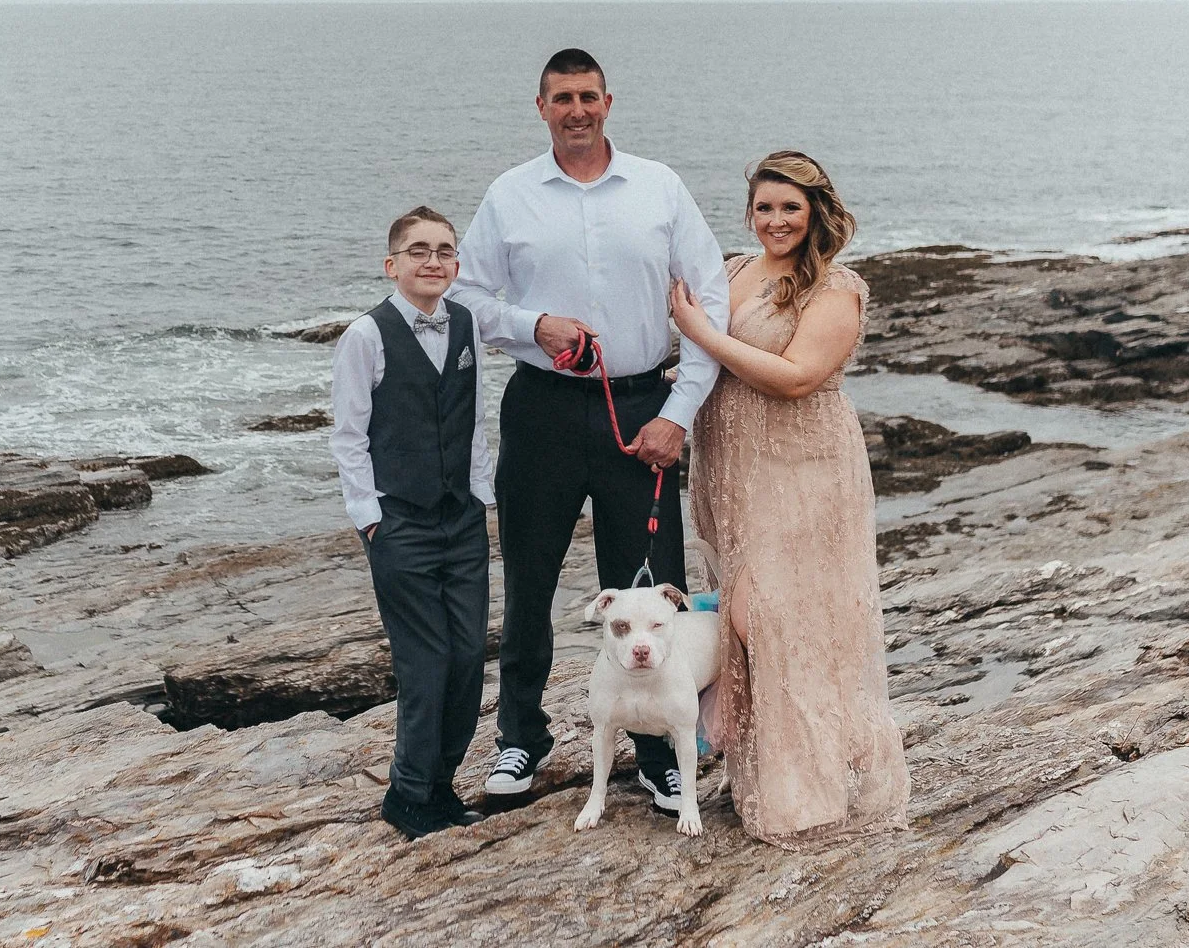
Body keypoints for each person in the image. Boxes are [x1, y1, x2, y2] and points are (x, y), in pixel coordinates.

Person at [448, 48, 729, 812]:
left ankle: (658, 755)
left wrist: (678, 415)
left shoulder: (659, 186)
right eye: (561, 98)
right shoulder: (509, 196)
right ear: (539, 106)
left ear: (610, 101)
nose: (577, 109)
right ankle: (519, 737)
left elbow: (709, 300)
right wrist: (532, 324)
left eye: (589, 96)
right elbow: (466, 299)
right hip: (541, 407)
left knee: (650, 585)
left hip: (642, 410)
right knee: (529, 581)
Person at [668, 150, 909, 846]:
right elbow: (683, 343)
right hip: (733, 467)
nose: (775, 220)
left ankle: (809, 791)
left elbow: (798, 377)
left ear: (816, 214)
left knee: (786, 618)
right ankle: (771, 773)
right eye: (765, 207)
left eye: (789, 209)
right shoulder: (737, 269)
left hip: (804, 467)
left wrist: (704, 335)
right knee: (745, 619)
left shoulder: (836, 287)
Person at [330, 205, 496, 840]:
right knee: (425, 661)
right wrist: (370, 519)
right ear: (392, 264)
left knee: (468, 656)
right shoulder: (365, 337)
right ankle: (407, 794)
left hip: (463, 518)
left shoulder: (467, 325)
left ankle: (443, 783)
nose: (434, 261)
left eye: (445, 251)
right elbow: (348, 437)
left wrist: (480, 496)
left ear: (457, 264)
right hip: (399, 521)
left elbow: (474, 418)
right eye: (419, 251)